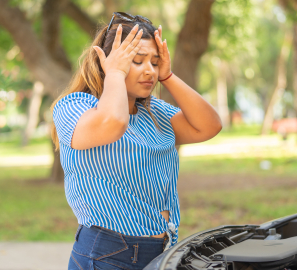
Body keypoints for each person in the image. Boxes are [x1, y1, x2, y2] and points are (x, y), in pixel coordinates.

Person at [51, 12, 222, 270]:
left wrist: (168, 76)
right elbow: (113, 123)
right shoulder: (75, 107)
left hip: (158, 252)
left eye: (154, 62)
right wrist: (116, 74)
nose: (149, 71)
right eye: (137, 60)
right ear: (106, 63)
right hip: (107, 254)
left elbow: (210, 126)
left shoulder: (154, 111)